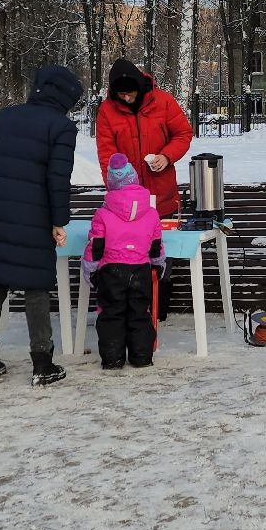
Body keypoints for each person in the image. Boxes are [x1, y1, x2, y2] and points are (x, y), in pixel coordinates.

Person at [0, 64, 83, 386]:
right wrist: (58, 221)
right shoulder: (61, 128)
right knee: (36, 288)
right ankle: (43, 365)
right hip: (35, 218)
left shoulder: (7, 116)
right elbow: (58, 179)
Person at [84, 153, 165, 370]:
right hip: (140, 270)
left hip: (111, 271)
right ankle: (141, 357)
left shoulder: (102, 213)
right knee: (140, 313)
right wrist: (158, 264)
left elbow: (95, 246)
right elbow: (156, 245)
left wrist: (90, 269)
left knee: (111, 314)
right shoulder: (152, 214)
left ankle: (113, 359)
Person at [95, 59, 194, 217]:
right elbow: (106, 155)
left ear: (139, 87)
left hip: (163, 197)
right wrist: (115, 188)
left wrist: (166, 156)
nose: (126, 98)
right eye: (121, 94)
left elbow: (183, 134)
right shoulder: (107, 111)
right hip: (126, 200)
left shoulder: (163, 101)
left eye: (130, 93)